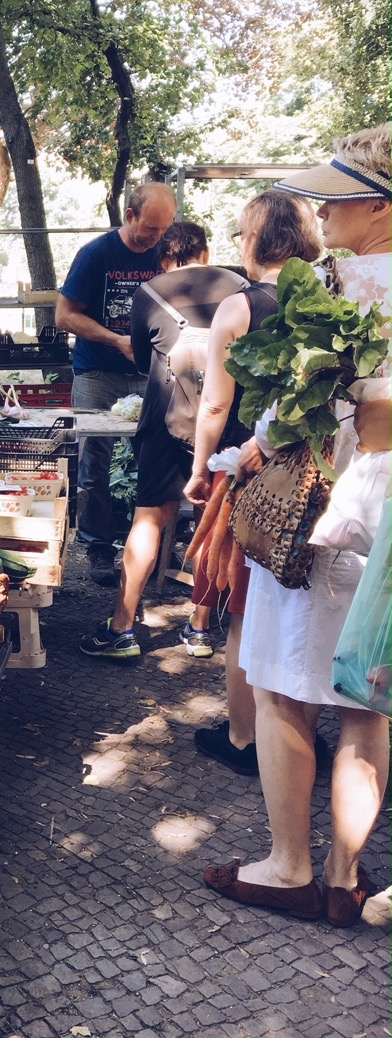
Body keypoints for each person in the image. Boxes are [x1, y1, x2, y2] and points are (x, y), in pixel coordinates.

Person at [203, 123, 391, 927]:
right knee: (366, 700)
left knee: (283, 689)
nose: (321, 205)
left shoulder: (344, 282)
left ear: (378, 205)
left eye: (337, 192)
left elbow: (300, 402)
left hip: (322, 508)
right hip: (384, 512)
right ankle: (347, 877)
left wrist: (242, 452)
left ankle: (289, 867)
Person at [183, 191, 322, 765]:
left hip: (256, 476)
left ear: (254, 240)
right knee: (305, 606)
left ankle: (245, 738)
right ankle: (302, 735)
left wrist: (198, 469)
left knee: (245, 607)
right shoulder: (326, 298)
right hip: (318, 476)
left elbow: (215, 405)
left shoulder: (238, 308)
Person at [81, 221, 246, 658]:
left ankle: (121, 628)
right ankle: (199, 627)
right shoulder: (240, 287)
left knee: (149, 521)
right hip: (228, 422)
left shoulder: (150, 292)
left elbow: (140, 359)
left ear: (164, 257)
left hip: (165, 420)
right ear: (205, 252)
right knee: (212, 521)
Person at [55, 182, 177, 585]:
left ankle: (154, 547)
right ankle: (98, 549)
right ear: (129, 216)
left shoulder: (166, 254)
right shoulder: (96, 255)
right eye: (152, 229)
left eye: (165, 230)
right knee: (94, 464)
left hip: (152, 374)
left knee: (159, 460)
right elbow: (64, 316)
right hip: (98, 373)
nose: (159, 238)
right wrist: (116, 341)